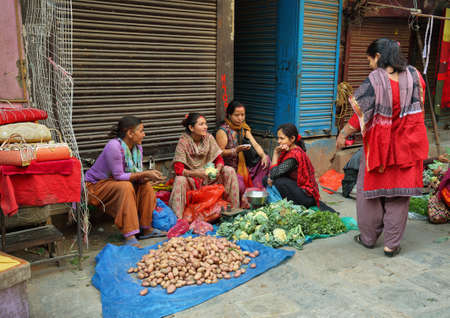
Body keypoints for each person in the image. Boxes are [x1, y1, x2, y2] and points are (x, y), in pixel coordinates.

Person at [336, 38, 428, 257]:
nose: (369, 65)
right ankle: (391, 246)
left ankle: (368, 239)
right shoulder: (416, 75)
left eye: (369, 59)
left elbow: (361, 114)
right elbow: (420, 104)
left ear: (378, 57)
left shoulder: (375, 79)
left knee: (369, 196)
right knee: (399, 197)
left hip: (380, 148)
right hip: (408, 147)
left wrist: (343, 134)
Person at [85, 116, 167, 248]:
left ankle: (146, 229)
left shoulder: (137, 147)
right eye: (141, 131)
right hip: (95, 186)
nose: (144, 134)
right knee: (125, 187)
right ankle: (130, 235)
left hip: (115, 182)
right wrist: (145, 173)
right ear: (130, 133)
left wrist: (149, 176)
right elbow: (119, 176)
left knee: (145, 186)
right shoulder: (114, 146)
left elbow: (136, 174)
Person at [169, 113, 240, 218]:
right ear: (191, 127)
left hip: (209, 178)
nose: (205, 127)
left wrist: (218, 169)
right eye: (201, 124)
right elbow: (178, 169)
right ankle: (178, 219)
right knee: (180, 180)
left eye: (205, 124)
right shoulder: (183, 142)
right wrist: (196, 173)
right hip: (192, 179)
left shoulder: (209, 138)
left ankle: (233, 211)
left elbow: (219, 159)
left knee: (229, 170)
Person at [265, 123, 334, 211]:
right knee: (266, 179)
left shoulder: (294, 156)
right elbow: (273, 173)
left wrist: (275, 153)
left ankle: (285, 206)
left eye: (282, 138)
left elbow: (273, 174)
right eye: (278, 138)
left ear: (292, 139)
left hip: (306, 196)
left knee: (278, 181)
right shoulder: (288, 150)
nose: (279, 141)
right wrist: (271, 178)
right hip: (297, 188)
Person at [215, 100, 270, 199]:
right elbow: (219, 153)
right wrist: (235, 150)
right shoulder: (223, 131)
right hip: (230, 169)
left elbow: (256, 145)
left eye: (242, 115)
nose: (240, 118)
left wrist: (263, 155)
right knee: (240, 187)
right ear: (229, 115)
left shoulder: (243, 128)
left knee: (266, 160)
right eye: (237, 115)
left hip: (245, 166)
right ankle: (247, 191)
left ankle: (256, 188)